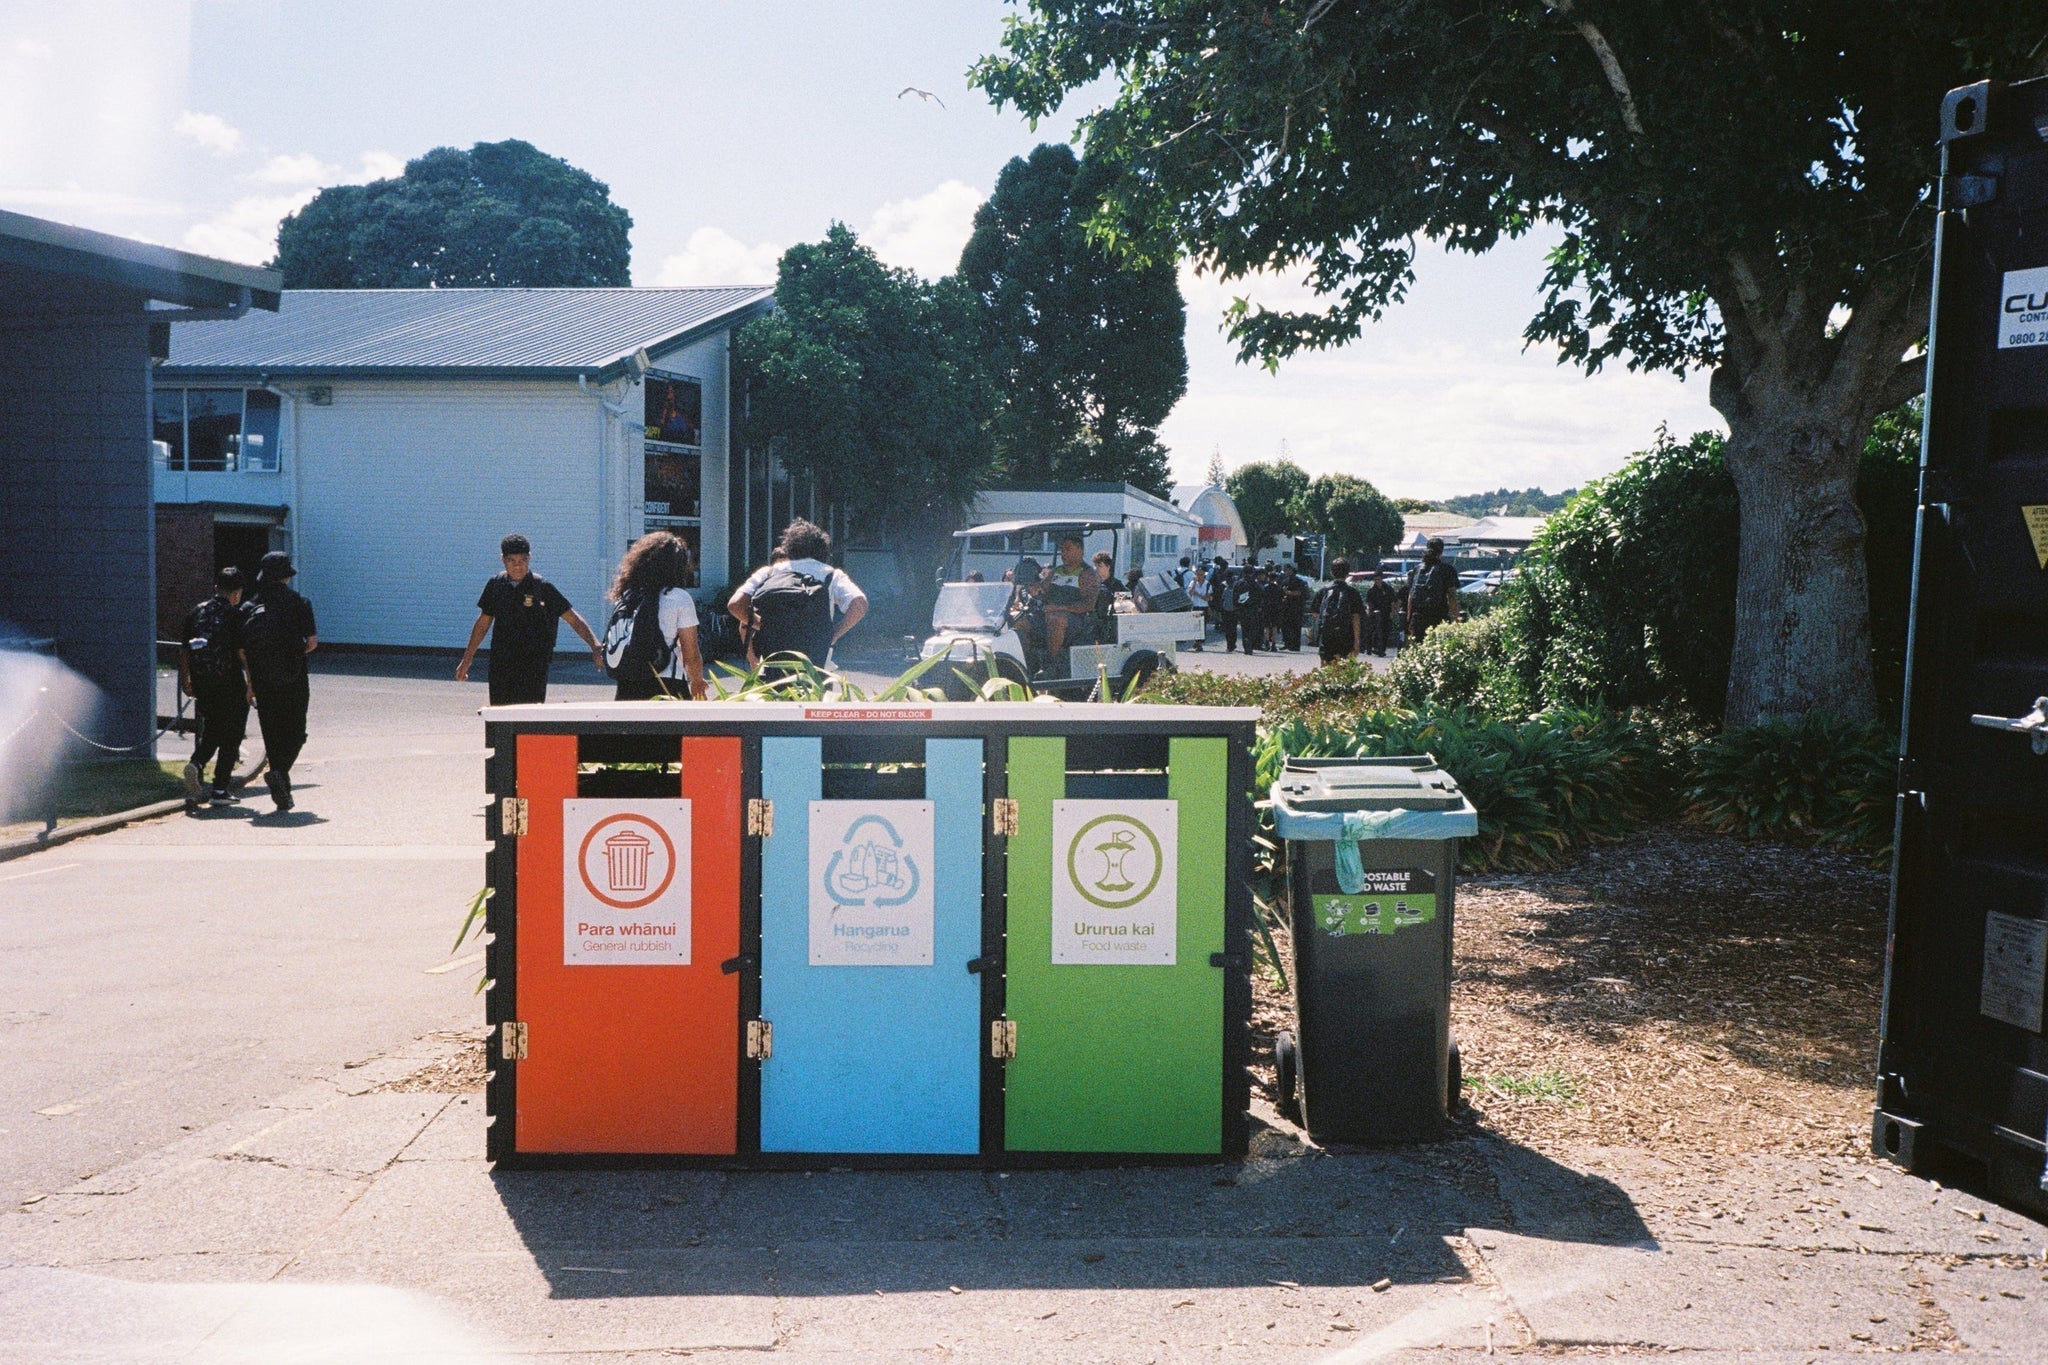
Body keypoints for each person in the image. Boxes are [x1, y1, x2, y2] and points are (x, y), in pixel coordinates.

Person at [455, 534, 603, 705]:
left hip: (533, 667)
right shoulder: (496, 586)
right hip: (501, 665)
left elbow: (573, 619)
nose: (518, 566)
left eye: (522, 560)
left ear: (529, 558)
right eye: (512, 561)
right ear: (503, 560)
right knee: (501, 718)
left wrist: (595, 646)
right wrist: (467, 659)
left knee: (528, 720)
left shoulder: (542, 587)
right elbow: (483, 623)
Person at [729, 519, 868, 672]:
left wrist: (763, 625)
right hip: (816, 670)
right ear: (823, 550)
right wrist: (833, 634)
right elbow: (859, 604)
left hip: (773, 669)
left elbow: (735, 605)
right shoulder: (831, 575)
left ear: (789, 548)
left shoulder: (769, 572)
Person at [238, 551, 317, 812]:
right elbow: (311, 643)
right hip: (293, 676)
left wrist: (250, 682)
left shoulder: (249, 607)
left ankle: (279, 774)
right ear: (287, 576)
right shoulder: (299, 603)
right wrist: (292, 653)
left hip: (261, 678)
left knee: (271, 732)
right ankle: (279, 772)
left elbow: (243, 650)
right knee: (296, 732)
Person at [606, 531, 707, 700]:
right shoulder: (679, 598)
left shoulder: (629, 596)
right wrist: (696, 681)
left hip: (627, 682)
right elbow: (691, 653)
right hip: (666, 682)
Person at [178, 565, 248, 806]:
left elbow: (185, 649)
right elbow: (242, 653)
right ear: (237, 593)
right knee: (233, 734)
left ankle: (196, 763)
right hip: (230, 682)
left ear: (217, 588)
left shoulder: (197, 612)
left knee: (213, 730)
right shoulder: (236, 615)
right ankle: (220, 789)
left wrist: (185, 679)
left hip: (203, 682)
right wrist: (252, 683)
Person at [1036, 533, 1100, 662]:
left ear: (1080, 551)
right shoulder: (1056, 571)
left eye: (1067, 549)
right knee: (1020, 621)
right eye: (1062, 550)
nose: (1063, 553)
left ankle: (1052, 663)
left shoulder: (1087, 574)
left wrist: (1059, 608)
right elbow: (1042, 591)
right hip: (1049, 613)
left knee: (1056, 619)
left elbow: (1089, 604)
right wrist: (1033, 590)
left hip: (1076, 620)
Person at [1406, 537, 1462, 645]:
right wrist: (1456, 619)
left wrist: (1409, 620)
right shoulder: (1447, 570)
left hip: (1417, 618)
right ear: (1441, 552)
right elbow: (1452, 596)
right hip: (1438, 617)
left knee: (1418, 651)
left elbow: (1410, 596)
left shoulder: (1416, 569)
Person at [1312, 558, 1367, 665]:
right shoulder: (1353, 593)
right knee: (1345, 672)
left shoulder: (1323, 591)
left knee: (1326, 672)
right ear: (1347, 574)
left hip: (1326, 638)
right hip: (1346, 637)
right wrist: (1357, 641)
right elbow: (1356, 618)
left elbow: (1315, 614)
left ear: (1332, 573)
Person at [1363, 570, 1396, 657]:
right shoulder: (1371, 590)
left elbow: (1392, 601)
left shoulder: (1388, 588)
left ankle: (1382, 649)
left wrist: (1392, 612)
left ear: (1381, 579)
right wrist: (1369, 612)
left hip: (1386, 613)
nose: (1377, 581)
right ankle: (1375, 648)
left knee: (1386, 632)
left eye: (1378, 579)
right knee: (1375, 631)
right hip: (1375, 614)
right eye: (1375, 580)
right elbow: (1368, 603)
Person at [1184, 565, 1209, 650]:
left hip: (1204, 607)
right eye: (1198, 574)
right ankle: (1197, 642)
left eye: (1201, 575)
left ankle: (1199, 643)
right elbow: (1190, 593)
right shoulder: (1193, 583)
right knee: (1196, 625)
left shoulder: (1207, 584)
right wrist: (1194, 583)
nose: (1199, 576)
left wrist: (1197, 594)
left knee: (1202, 626)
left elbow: (1207, 598)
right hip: (1195, 606)